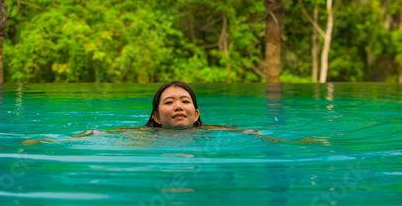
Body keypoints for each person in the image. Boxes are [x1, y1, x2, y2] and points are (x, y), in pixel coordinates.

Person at [22, 81, 318, 145]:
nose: (178, 106)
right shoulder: (140, 135)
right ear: (155, 116)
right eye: (169, 102)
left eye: (185, 101)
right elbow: (97, 134)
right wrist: (50, 141)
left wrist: (296, 143)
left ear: (196, 112)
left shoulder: (211, 132)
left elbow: (252, 134)